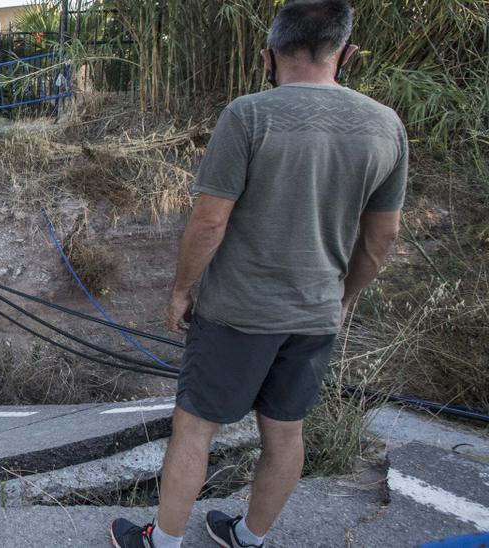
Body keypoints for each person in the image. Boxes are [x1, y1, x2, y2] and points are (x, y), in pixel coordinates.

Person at [109, 1, 407, 547]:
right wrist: (344, 298)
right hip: (315, 314)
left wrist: (180, 289)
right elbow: (382, 237)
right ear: (347, 54)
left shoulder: (249, 115)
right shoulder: (386, 126)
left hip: (237, 312)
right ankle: (248, 537)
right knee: (285, 432)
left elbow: (209, 220)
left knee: (196, 426)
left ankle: (164, 541)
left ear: (267, 56)